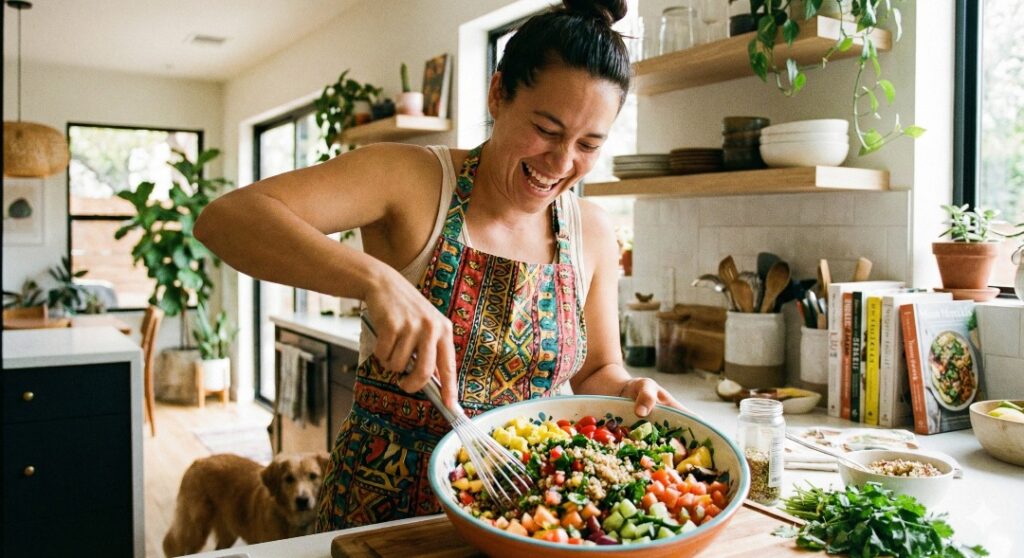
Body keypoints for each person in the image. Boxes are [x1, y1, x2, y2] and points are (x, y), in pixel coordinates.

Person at [194, 0, 685, 531]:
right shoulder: (411, 179)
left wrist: (628, 390)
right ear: (499, 93)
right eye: (546, 129)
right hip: (386, 518)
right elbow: (225, 220)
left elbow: (595, 372)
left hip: (528, 513)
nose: (562, 163)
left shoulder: (591, 230)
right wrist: (377, 280)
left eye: (588, 144)